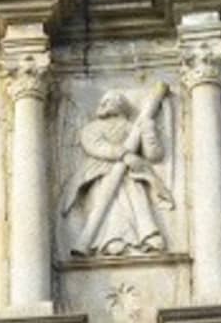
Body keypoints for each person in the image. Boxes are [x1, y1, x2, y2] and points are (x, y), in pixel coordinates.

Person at [61, 88, 172, 257]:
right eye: (103, 101)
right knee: (110, 205)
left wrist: (149, 131)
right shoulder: (92, 128)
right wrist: (124, 155)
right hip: (101, 173)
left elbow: (154, 156)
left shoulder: (133, 127)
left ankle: (148, 235)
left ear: (121, 106)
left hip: (131, 174)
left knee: (137, 200)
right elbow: (95, 146)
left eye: (109, 101)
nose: (103, 104)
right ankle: (111, 240)